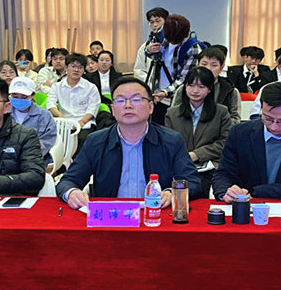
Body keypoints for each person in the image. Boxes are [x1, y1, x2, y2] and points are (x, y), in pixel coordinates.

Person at [56, 78, 202, 209]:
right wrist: (72, 193)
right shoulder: (96, 141)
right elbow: (68, 181)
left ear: (151, 107)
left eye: (136, 99)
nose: (128, 105)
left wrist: (172, 193)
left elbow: (193, 182)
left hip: (155, 215)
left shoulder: (171, 140)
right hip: (111, 217)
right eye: (120, 100)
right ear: (113, 109)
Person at [165, 67, 232, 197]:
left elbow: (225, 142)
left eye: (201, 87)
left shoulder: (221, 112)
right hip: (180, 167)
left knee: (204, 188)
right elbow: (168, 143)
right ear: (185, 87)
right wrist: (184, 157)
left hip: (210, 166)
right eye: (191, 85)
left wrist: (196, 154)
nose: (195, 91)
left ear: (209, 89)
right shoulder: (172, 113)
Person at [145, 14, 205, 125]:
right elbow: (154, 57)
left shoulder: (193, 48)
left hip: (178, 99)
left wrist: (165, 92)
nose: (171, 42)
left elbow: (186, 78)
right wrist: (149, 50)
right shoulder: (163, 36)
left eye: (174, 41)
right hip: (158, 96)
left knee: (174, 129)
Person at [171, 47, 241, 124]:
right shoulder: (184, 89)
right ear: (198, 65)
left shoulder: (230, 91)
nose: (208, 68)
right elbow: (174, 115)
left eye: (214, 65)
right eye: (204, 64)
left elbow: (235, 120)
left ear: (221, 68)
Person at [47, 53, 101, 148]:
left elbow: (93, 108)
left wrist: (82, 122)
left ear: (84, 70)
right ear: (66, 68)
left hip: (85, 123)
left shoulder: (91, 87)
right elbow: (50, 103)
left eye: (80, 67)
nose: (76, 70)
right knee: (55, 140)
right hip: (64, 122)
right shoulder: (57, 86)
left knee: (82, 139)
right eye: (73, 66)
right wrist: (60, 116)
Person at [8, 76, 57, 165]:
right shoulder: (2, 114)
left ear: (33, 95)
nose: (19, 100)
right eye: (15, 96)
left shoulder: (44, 116)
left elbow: (47, 141)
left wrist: (27, 155)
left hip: (35, 160)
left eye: (24, 97)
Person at [134, 7, 168, 81]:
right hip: (150, 83)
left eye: (158, 21)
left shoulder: (174, 44)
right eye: (151, 22)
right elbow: (139, 69)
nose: (155, 25)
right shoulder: (145, 47)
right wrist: (151, 80)